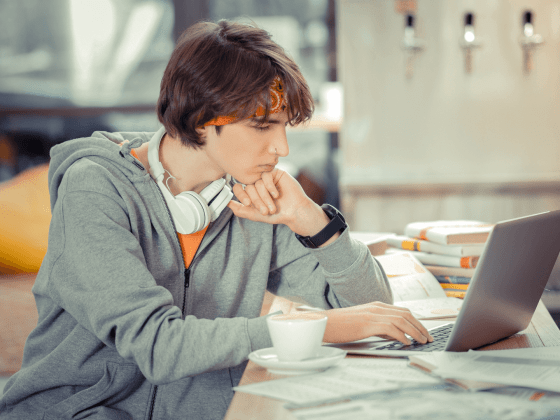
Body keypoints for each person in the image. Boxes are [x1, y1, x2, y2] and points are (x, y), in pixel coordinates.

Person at [0, 20, 432, 420]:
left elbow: (372, 311)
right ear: (203, 118)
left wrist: (312, 220)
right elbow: (159, 346)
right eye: (262, 126)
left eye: (284, 127)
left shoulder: (252, 196)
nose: (281, 147)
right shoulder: (95, 189)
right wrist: (317, 327)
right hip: (76, 410)